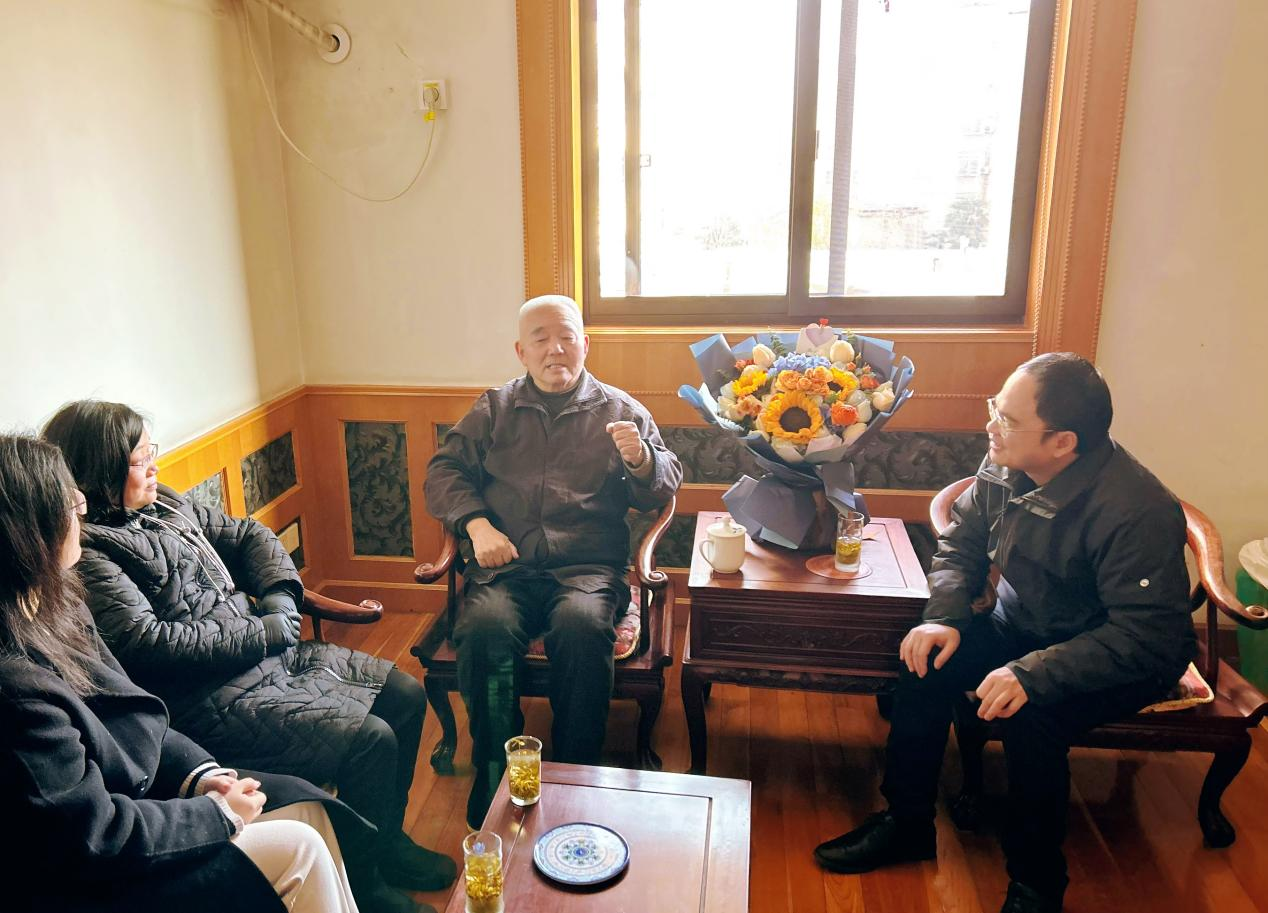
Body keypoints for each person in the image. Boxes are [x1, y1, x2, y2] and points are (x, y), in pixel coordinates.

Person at [813, 353, 1196, 913]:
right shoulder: (1006, 461)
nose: (991, 424)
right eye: (997, 407)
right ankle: (907, 822)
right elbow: (961, 545)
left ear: (1063, 442)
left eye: (1008, 419)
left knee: (1032, 714)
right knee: (925, 660)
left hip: (1119, 653)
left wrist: (1032, 673)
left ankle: (1036, 885)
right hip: (1025, 623)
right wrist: (944, 617)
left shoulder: (1136, 510)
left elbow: (1144, 634)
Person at [42, 402, 454, 913]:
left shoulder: (163, 503)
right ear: (100, 469)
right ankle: (364, 881)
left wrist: (280, 596)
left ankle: (388, 840)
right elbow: (150, 643)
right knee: (370, 740)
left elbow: (247, 535)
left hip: (266, 661)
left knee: (406, 695)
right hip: (207, 699)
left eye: (152, 451)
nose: (154, 465)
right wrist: (264, 631)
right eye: (140, 458)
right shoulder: (93, 553)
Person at [0, 433, 370, 913]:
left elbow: (133, 714)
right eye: (70, 502)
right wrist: (215, 813)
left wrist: (202, 776)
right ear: (30, 530)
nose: (82, 507)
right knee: (299, 846)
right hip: (94, 873)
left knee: (308, 809)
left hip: (141, 799)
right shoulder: (16, 689)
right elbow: (93, 836)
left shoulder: (56, 603)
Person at [425, 294, 682, 826]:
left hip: (587, 570)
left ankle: (574, 775)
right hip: (506, 568)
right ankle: (495, 772)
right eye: (540, 339)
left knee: (581, 627)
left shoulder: (622, 411)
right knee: (485, 629)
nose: (555, 349)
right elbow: (443, 473)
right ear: (521, 351)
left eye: (566, 337)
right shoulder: (494, 409)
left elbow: (663, 486)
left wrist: (640, 459)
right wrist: (477, 525)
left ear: (585, 344)